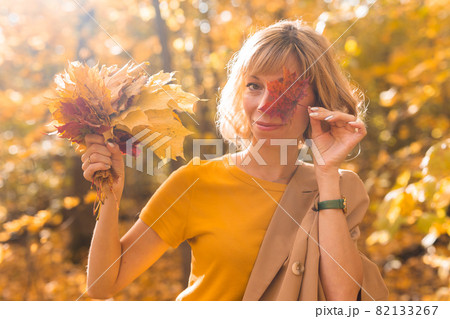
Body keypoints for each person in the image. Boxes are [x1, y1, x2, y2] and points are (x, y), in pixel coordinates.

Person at [81, 19, 384, 301]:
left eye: (288, 88)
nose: (266, 104)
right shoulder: (195, 182)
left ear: (317, 103)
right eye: (254, 85)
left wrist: (327, 172)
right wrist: (111, 195)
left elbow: (342, 300)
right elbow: (102, 284)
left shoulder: (340, 189)